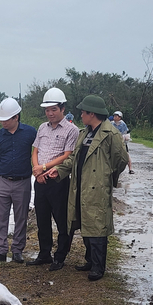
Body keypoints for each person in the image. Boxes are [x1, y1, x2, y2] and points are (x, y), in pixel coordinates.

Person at [45, 95, 128, 280]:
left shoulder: (110, 134)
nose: (81, 115)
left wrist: (106, 175)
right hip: (80, 185)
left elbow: (120, 159)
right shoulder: (85, 133)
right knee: (85, 222)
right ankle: (90, 260)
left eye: (83, 112)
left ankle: (98, 267)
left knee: (97, 225)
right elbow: (74, 158)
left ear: (92, 113)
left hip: (96, 187)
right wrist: (58, 170)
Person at [28, 87, 79, 271]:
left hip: (57, 180)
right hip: (40, 180)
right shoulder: (42, 127)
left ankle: (60, 256)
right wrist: (37, 171)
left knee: (61, 220)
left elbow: (67, 155)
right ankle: (44, 253)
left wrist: (44, 168)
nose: (50, 113)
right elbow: (35, 150)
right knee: (42, 219)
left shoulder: (71, 130)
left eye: (54, 110)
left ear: (63, 108)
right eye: (47, 110)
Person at [0, 97, 37, 264]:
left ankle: (17, 250)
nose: (3, 123)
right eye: (1, 120)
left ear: (16, 117)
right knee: (0, 217)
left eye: (6, 120)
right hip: (3, 180)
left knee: (21, 217)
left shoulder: (30, 133)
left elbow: (37, 152)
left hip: (22, 181)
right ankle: (0, 250)